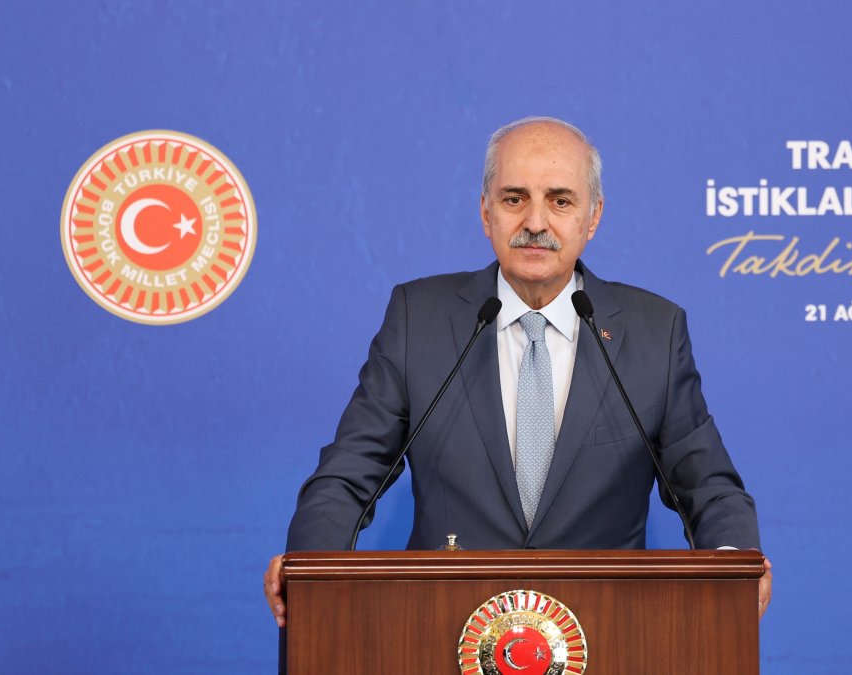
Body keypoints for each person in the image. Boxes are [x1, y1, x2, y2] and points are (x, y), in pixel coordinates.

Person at [264, 117, 772, 626]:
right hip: (441, 628)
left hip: (609, 630)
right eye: (513, 198)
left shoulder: (654, 332)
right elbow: (349, 475)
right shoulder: (417, 318)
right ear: (485, 212)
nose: (535, 221)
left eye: (560, 200)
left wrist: (734, 566)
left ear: (592, 218)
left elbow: (708, 487)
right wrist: (311, 563)